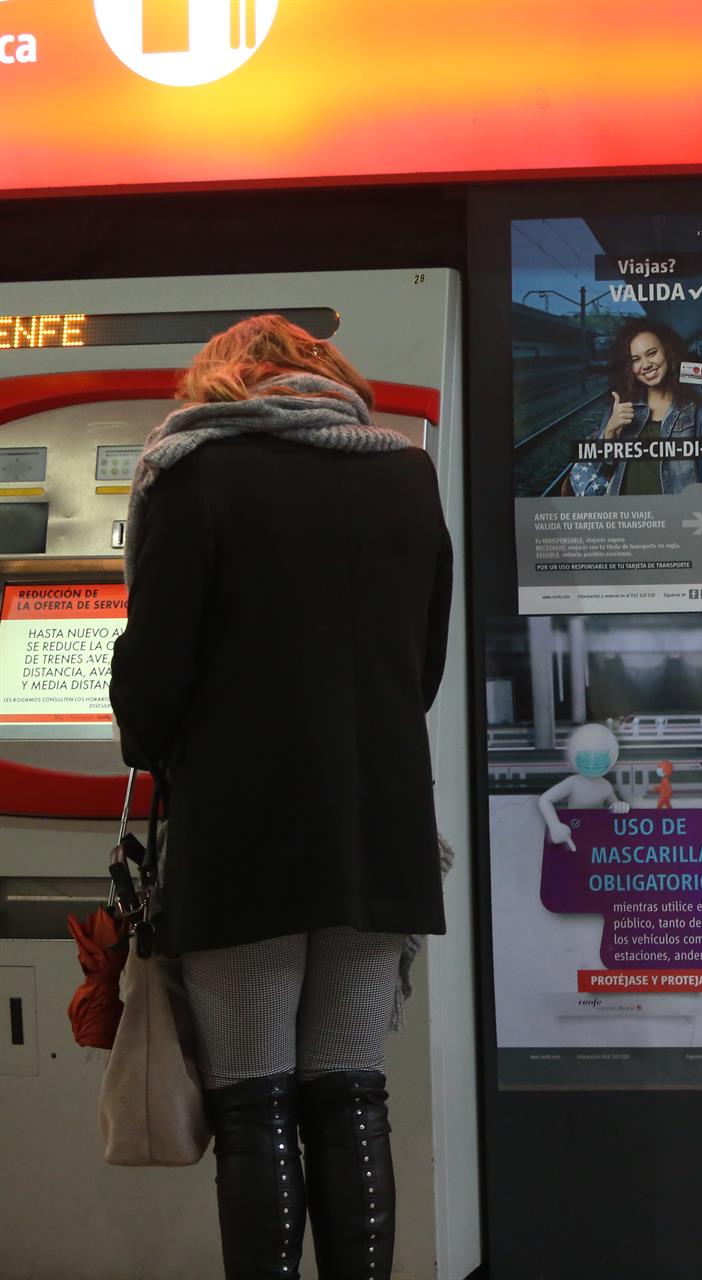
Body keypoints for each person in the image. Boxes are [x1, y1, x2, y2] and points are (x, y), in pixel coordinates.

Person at [110, 315, 453, 1280]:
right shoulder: (404, 472)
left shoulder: (193, 473)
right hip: (378, 826)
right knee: (350, 1091)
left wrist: (145, 738)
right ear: (327, 378)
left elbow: (155, 670)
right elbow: (420, 664)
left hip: (245, 830)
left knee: (253, 1098)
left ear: (221, 385)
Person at [599, 319, 702, 496]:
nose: (646, 365)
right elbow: (602, 464)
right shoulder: (621, 399)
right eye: (635, 360)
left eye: (652, 353)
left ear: (667, 351)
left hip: (677, 512)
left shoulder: (693, 397)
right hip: (628, 513)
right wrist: (610, 430)